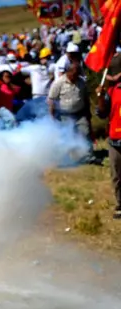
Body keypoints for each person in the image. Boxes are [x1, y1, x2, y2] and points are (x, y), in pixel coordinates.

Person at [48, 61, 93, 160]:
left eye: (77, 74)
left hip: (80, 113)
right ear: (68, 72)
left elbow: (86, 98)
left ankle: (88, 156)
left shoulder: (81, 82)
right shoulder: (58, 83)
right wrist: (52, 116)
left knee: (85, 132)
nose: (75, 76)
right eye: (74, 74)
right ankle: (71, 157)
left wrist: (88, 112)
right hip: (64, 115)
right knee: (68, 136)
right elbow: (51, 100)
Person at [95, 68, 121, 220]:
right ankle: (120, 203)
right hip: (115, 139)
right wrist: (100, 96)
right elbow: (101, 113)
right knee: (117, 174)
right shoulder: (112, 91)